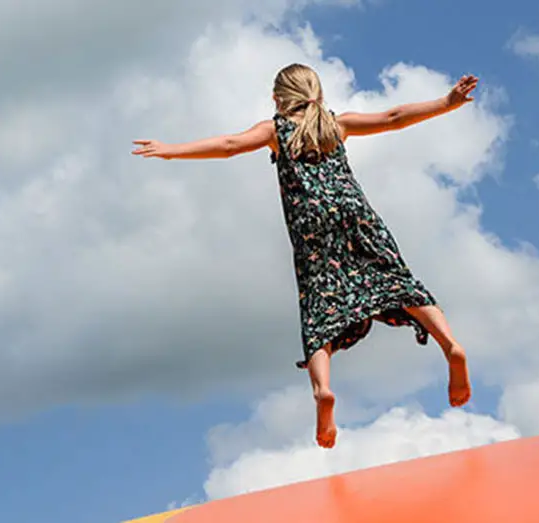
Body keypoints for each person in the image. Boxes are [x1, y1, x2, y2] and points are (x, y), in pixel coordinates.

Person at [133, 63, 476, 449]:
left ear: (279, 98)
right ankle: (450, 345)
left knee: (318, 308)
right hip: (355, 213)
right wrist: (447, 102)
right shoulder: (337, 125)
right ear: (318, 93)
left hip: (311, 228)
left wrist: (172, 152)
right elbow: (394, 118)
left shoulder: (275, 131)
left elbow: (229, 146)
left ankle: (323, 391)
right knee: (399, 281)